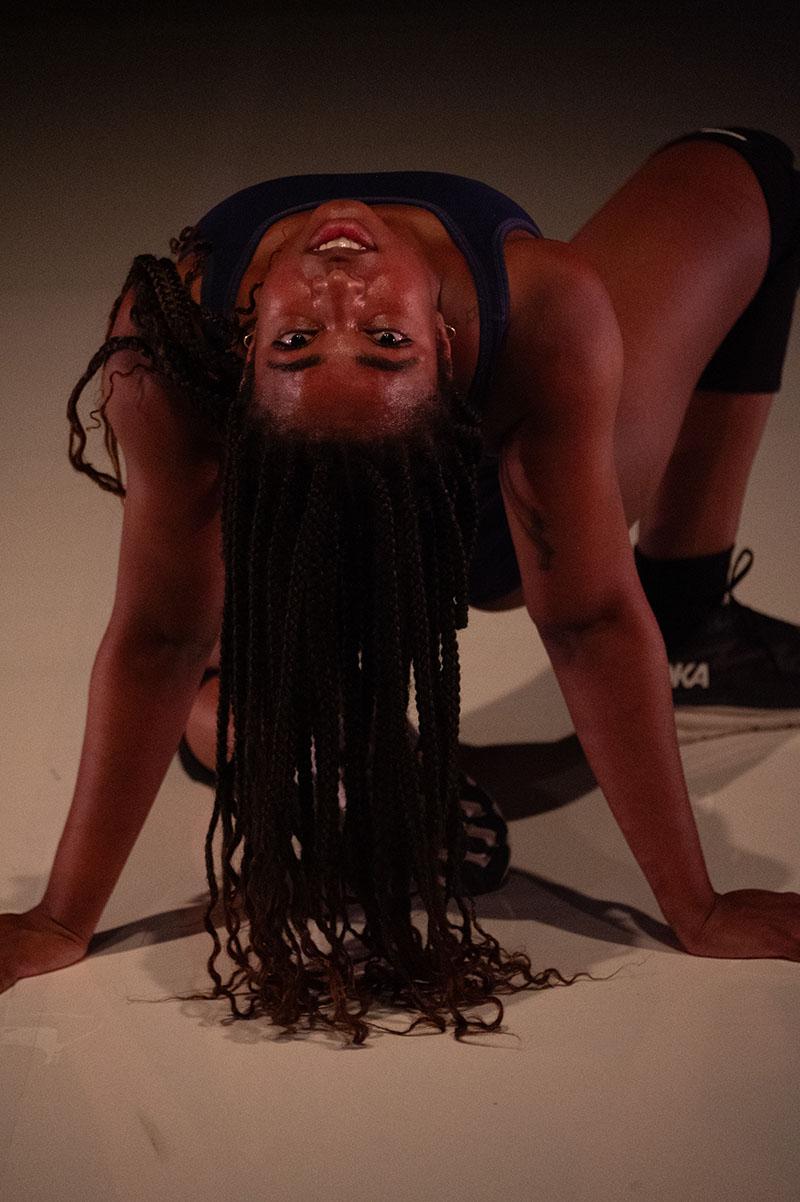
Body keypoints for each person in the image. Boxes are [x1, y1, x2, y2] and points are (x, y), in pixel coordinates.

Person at [2, 127, 799, 1046]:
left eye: (371, 340)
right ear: (242, 347)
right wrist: (60, 919)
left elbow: (587, 620)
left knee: (751, 170)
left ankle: (294, 727)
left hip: (475, 528)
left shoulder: (537, 321)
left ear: (452, 342)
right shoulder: (177, 353)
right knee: (204, 649)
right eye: (317, 340)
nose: (340, 290)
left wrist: (694, 906)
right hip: (289, 544)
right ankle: (310, 745)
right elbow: (158, 640)